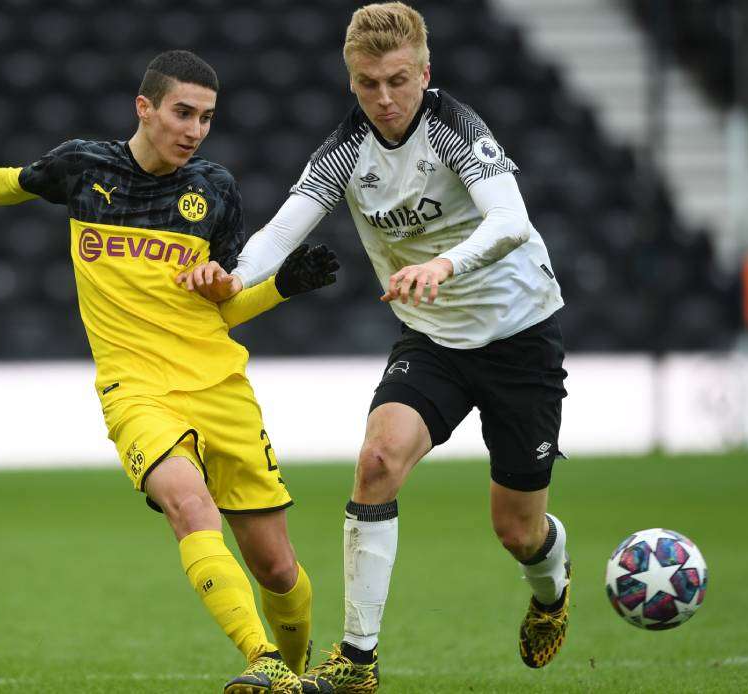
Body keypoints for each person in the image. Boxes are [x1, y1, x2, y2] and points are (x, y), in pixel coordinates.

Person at [0, 50, 341, 694]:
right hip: (135, 389)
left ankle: (299, 672)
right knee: (188, 504)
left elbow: (223, 304)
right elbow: (8, 182)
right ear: (145, 108)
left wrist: (280, 286)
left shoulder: (216, 189)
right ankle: (262, 659)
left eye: (206, 118)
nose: (195, 129)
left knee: (277, 568)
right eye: (182, 112)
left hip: (219, 386)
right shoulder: (86, 168)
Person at [180, 4, 571, 690]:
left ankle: (550, 589)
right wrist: (231, 275)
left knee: (517, 530)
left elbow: (511, 220)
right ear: (351, 83)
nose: (384, 99)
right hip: (432, 339)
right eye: (368, 84)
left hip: (519, 337)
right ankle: (358, 661)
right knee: (377, 461)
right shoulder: (345, 150)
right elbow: (282, 231)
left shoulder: (456, 130)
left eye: (397, 80)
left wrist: (443, 266)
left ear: (425, 71)